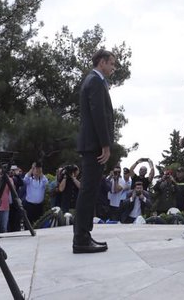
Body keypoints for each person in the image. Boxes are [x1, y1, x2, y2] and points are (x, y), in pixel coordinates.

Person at [73, 48, 115, 254]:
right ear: (102, 63)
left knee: (89, 191)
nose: (113, 68)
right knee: (88, 192)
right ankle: (81, 238)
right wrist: (105, 144)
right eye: (111, 63)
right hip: (94, 145)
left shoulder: (93, 80)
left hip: (91, 144)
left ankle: (84, 235)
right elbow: (99, 115)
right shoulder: (95, 81)